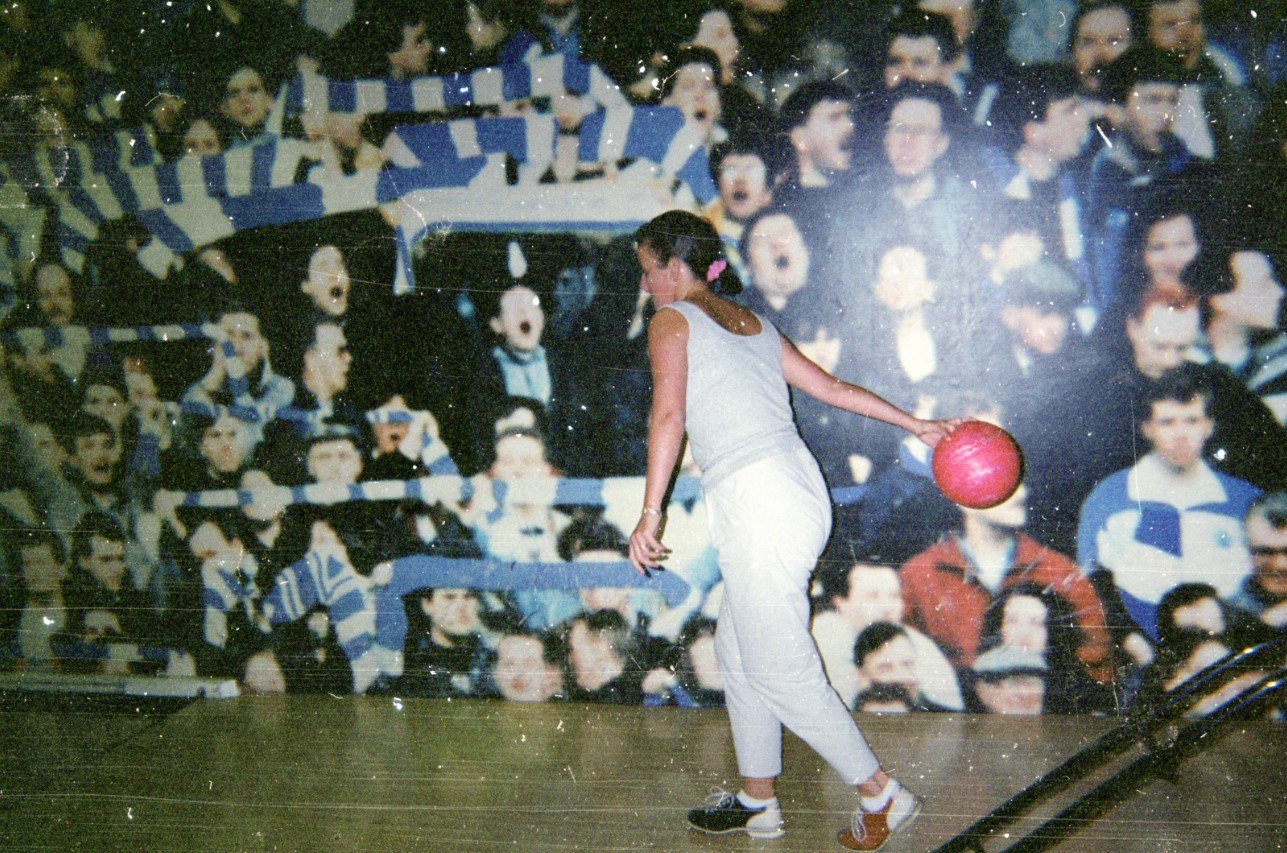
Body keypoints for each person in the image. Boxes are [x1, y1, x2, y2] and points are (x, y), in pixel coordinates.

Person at [627, 210, 962, 850]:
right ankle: (758, 802)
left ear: (674, 266)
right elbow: (831, 389)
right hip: (797, 492)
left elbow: (668, 415)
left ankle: (881, 794)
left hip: (760, 498)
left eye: (649, 270)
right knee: (738, 649)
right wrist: (914, 425)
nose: (647, 286)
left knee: (779, 666)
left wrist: (651, 513)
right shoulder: (752, 321)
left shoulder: (672, 321)